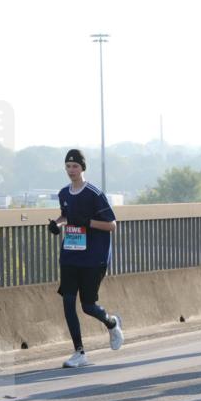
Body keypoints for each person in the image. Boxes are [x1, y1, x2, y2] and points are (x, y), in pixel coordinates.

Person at [47, 149, 123, 368]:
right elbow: (65, 215)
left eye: (75, 166)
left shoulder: (94, 193)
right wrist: (57, 224)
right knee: (68, 302)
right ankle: (79, 352)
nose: (71, 171)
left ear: (83, 168)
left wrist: (87, 222)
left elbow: (112, 225)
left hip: (93, 257)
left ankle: (111, 322)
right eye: (68, 166)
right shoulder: (64, 193)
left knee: (88, 306)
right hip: (70, 254)